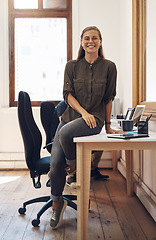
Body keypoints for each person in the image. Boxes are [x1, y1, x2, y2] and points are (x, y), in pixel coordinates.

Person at [48, 26, 122, 229]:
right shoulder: (72, 66)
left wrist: (107, 126)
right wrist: (83, 112)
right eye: (87, 38)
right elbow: (67, 95)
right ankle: (57, 204)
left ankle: (72, 168)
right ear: (81, 42)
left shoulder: (109, 67)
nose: (91, 41)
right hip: (72, 117)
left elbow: (109, 98)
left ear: (100, 41)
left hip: (94, 121)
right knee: (55, 165)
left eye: (95, 38)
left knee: (64, 133)